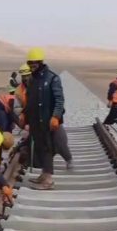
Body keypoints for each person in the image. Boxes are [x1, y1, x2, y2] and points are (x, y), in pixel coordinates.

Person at [24, 48, 73, 190]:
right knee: (40, 148)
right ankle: (44, 174)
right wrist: (24, 115)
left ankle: (48, 180)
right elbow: (30, 101)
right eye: (29, 63)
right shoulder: (32, 79)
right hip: (35, 121)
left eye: (34, 63)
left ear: (40, 62)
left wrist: (55, 117)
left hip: (47, 121)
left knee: (47, 148)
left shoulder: (52, 78)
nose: (32, 65)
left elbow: (59, 100)